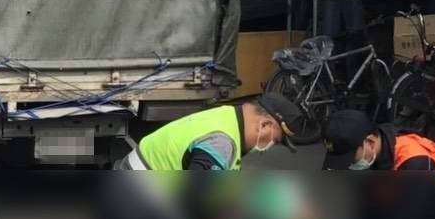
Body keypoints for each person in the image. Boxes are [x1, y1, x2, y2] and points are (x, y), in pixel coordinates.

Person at [119, 94, 303, 170]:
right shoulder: (222, 142)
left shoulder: (227, 115)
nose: (270, 146)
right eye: (275, 140)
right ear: (264, 125)